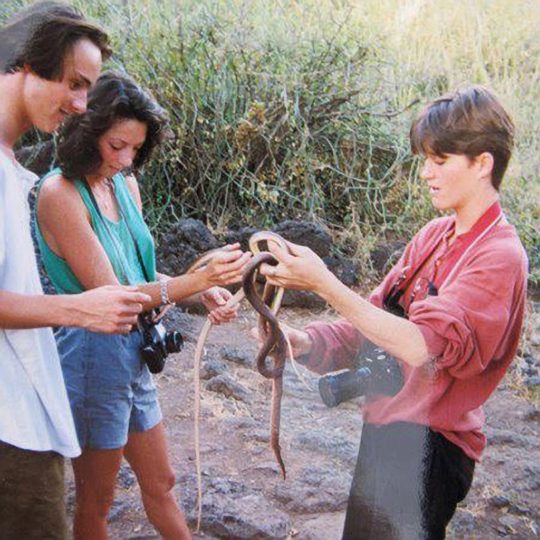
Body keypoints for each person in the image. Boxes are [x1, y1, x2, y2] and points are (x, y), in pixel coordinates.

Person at [258, 86, 528, 539]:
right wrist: (306, 341)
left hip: (428, 445)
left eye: (440, 161)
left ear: (483, 164)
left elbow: (420, 346)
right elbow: (375, 318)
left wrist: (322, 280)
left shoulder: (499, 254)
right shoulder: (435, 235)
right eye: (425, 159)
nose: (426, 172)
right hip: (388, 427)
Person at [35, 70, 251, 540]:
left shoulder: (123, 186)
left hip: (133, 352)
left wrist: (197, 289)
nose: (126, 159)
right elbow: (114, 296)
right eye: (116, 146)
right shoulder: (59, 194)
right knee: (97, 502)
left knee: (162, 482)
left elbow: (137, 274)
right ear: (86, 131)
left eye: (135, 148)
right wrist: (195, 279)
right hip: (92, 353)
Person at [0, 3, 151, 539]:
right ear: (22, 62)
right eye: (73, 83)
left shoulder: (16, 173)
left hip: (29, 412)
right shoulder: (44, 186)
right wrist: (78, 310)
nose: (82, 104)